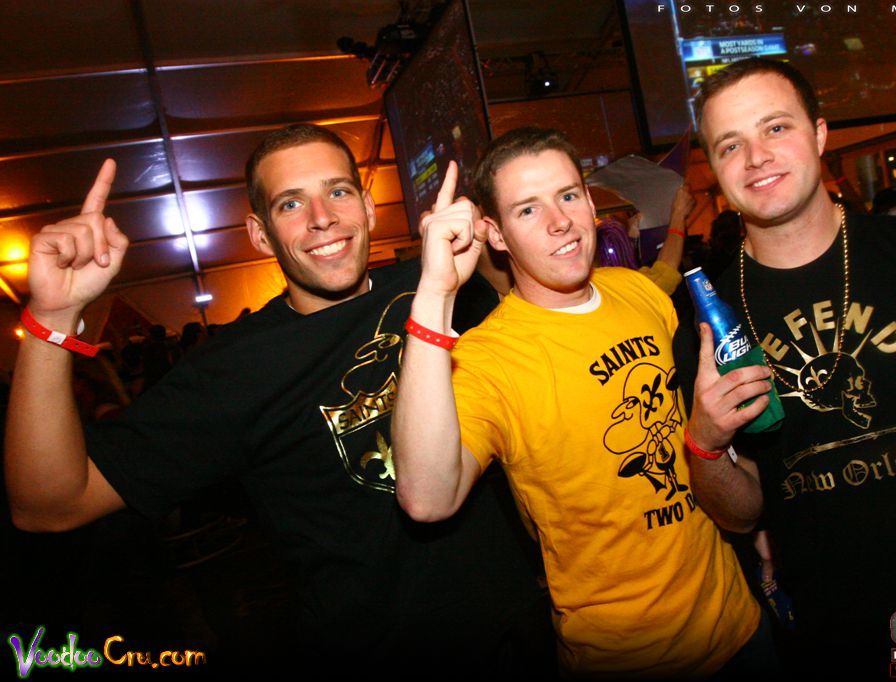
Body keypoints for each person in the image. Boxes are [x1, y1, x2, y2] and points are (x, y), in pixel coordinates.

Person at [5, 124, 552, 675]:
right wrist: (52, 317)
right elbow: (48, 506)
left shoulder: (440, 282)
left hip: (529, 632)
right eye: (290, 203)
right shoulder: (233, 369)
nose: (322, 217)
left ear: (367, 207)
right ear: (260, 234)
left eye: (338, 191)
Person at [673, 57, 896, 678]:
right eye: (731, 144)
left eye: (775, 127)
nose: (756, 157)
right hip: (837, 634)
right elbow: (741, 512)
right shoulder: (707, 327)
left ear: (819, 134)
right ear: (715, 172)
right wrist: (705, 443)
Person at [392, 128, 772, 678]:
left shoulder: (639, 293)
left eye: (567, 195)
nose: (559, 222)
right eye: (527, 209)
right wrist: (435, 294)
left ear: (590, 203)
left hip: (740, 625)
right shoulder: (489, 357)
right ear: (495, 234)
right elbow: (427, 499)